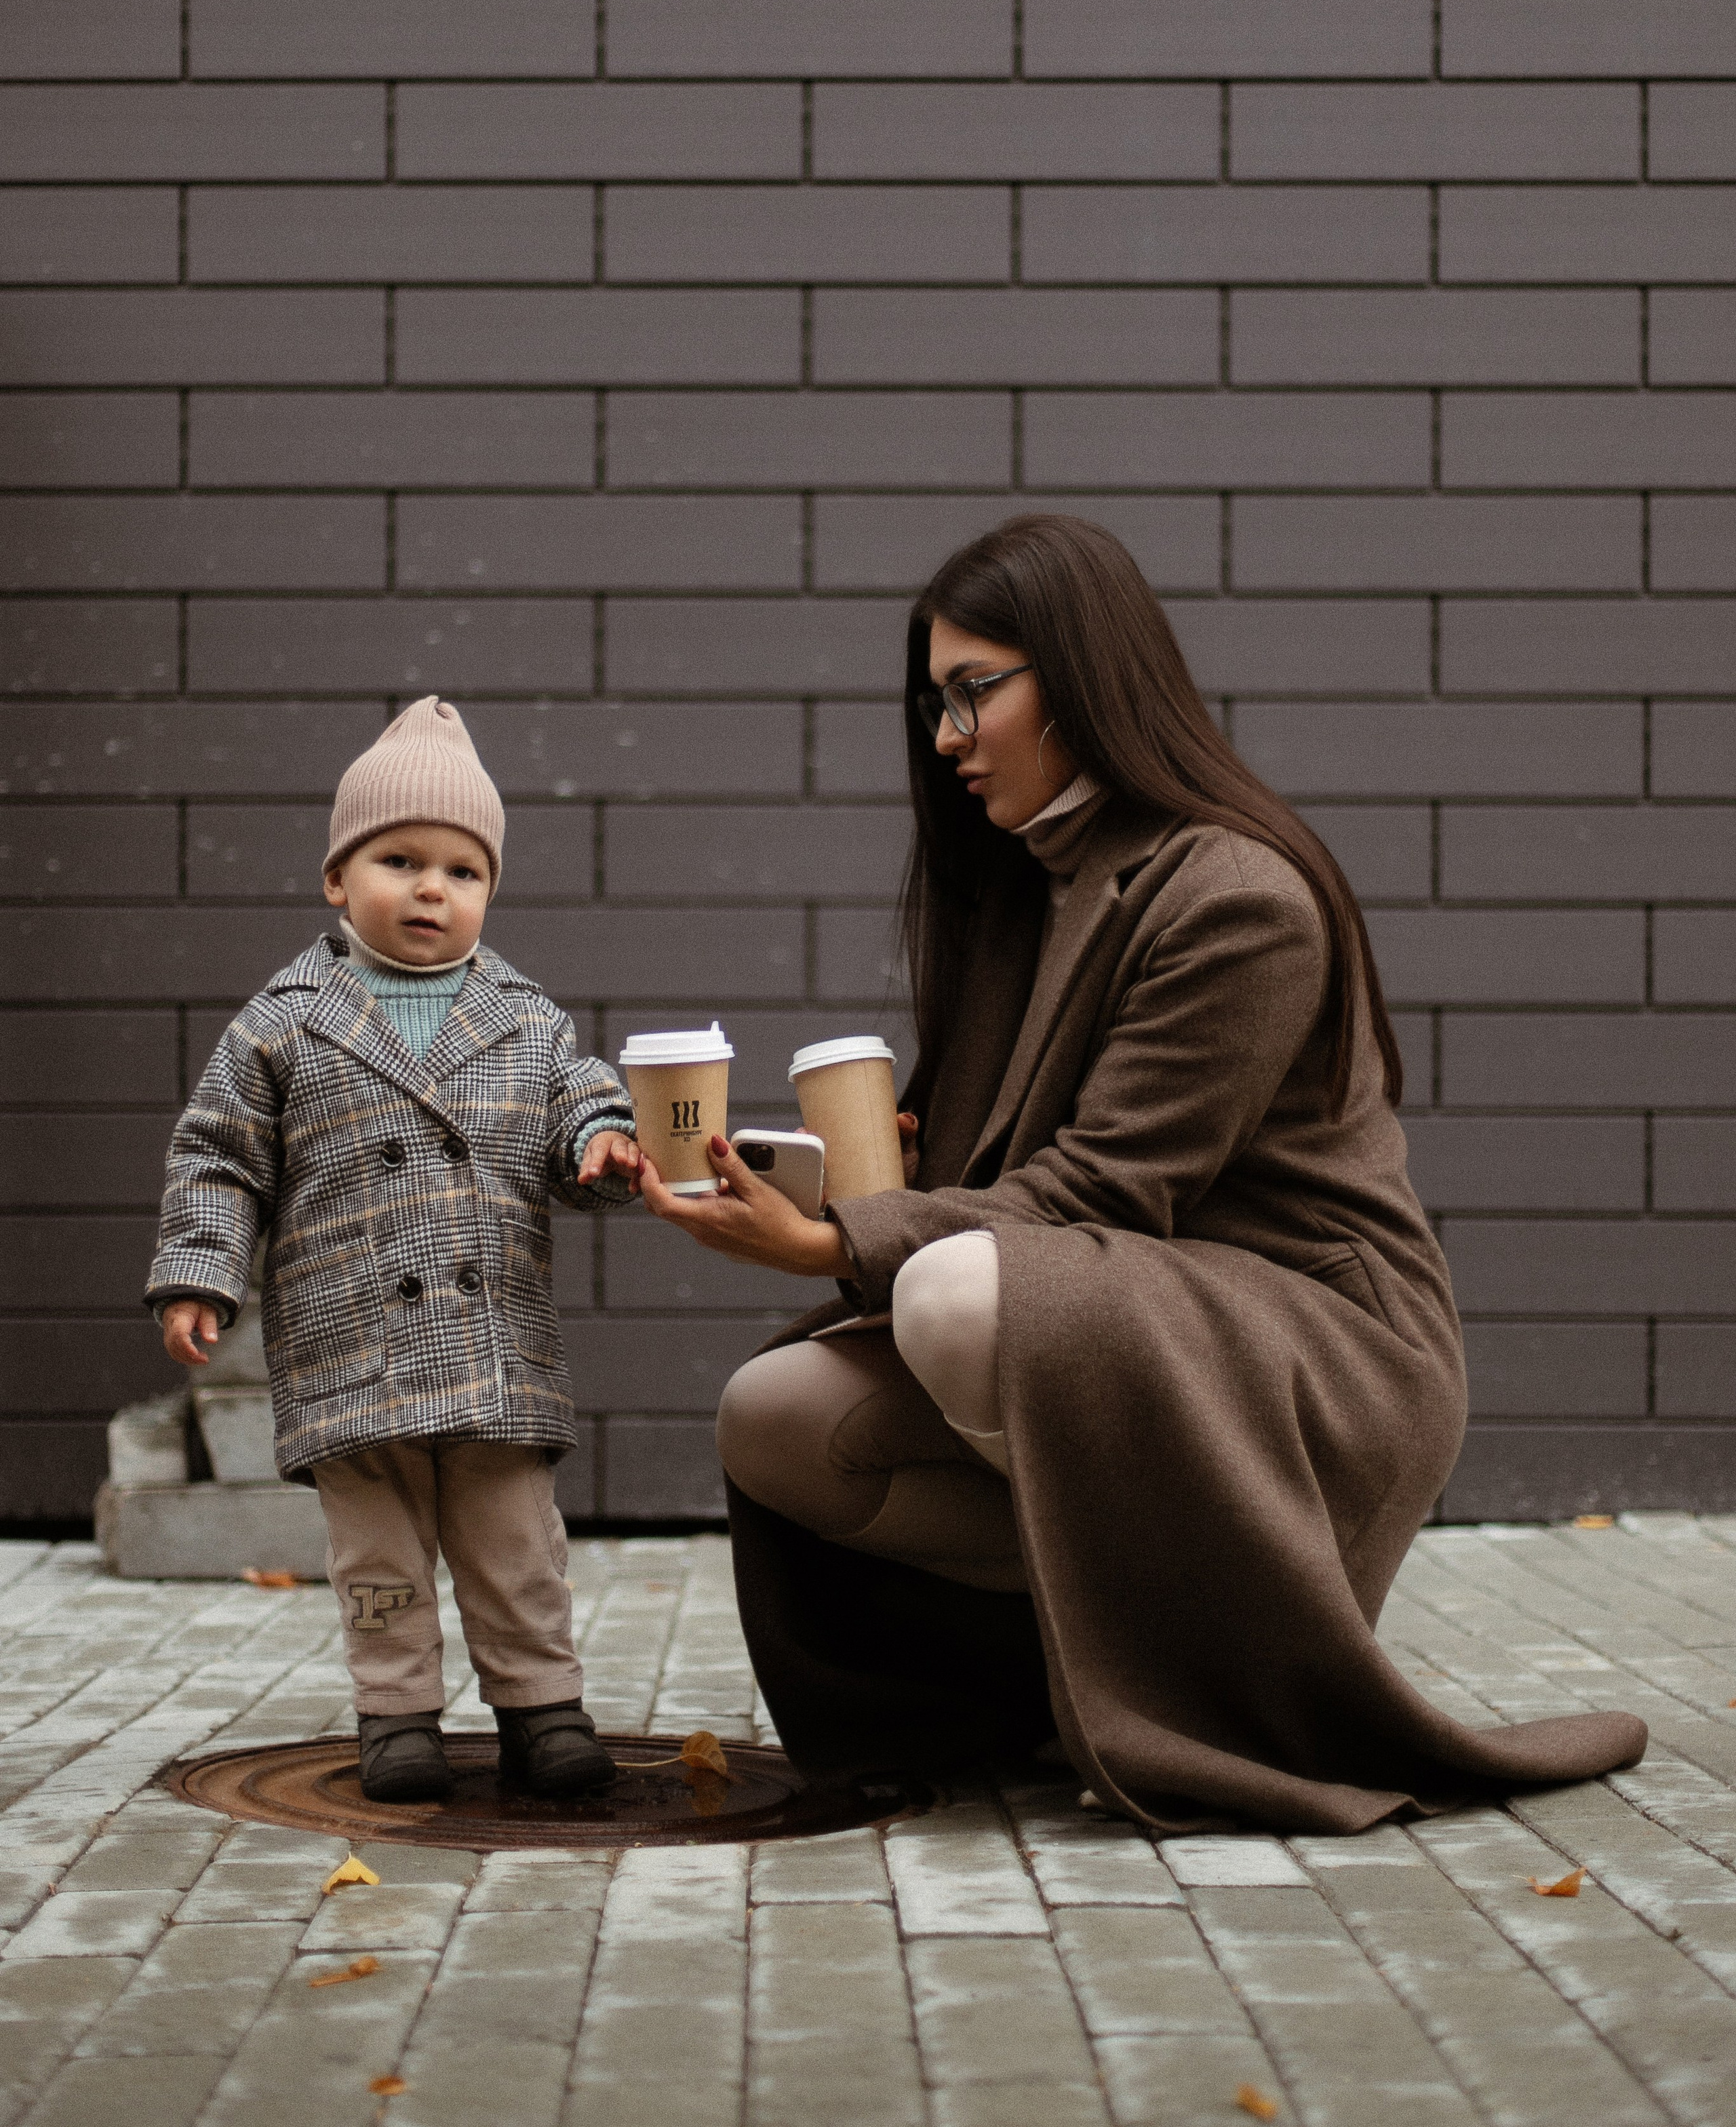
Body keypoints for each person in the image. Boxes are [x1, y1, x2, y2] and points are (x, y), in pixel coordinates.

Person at [635, 516, 1645, 1834]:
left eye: (970, 693)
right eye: (930, 701)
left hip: (1314, 1352)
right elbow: (1027, 1191)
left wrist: (836, 1246)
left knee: (945, 1295)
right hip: (1126, 1316)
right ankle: (1018, 1693)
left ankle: (1192, 1670)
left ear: (1082, 673)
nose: (944, 738)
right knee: (769, 1416)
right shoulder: (1017, 889)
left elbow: (1098, 1199)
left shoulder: (1234, 895)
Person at [146, 696, 643, 1805]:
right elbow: (220, 1156)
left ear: (490, 892)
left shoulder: (529, 1018)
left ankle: (543, 1707)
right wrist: (200, 1268)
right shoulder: (280, 1021)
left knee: (516, 1545)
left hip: (490, 1343)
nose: (431, 888)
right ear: (337, 878)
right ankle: (396, 1714)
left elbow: (580, 1100)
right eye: (400, 859)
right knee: (377, 1556)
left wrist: (603, 1141)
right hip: (349, 1348)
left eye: (464, 871)